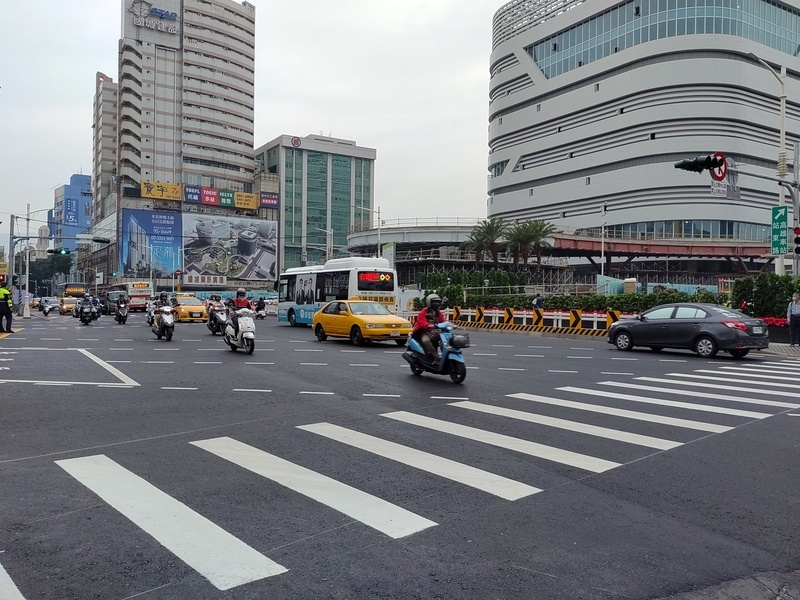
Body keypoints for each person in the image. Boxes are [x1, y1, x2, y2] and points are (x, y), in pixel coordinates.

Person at [412, 294, 446, 362]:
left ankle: (445, 356)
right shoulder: (424, 311)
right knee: (426, 341)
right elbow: (420, 321)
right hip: (425, 331)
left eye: (438, 302)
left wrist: (448, 324)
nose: (436, 304)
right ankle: (435, 357)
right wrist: (428, 325)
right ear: (429, 302)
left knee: (445, 340)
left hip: (436, 331)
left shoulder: (438, 313)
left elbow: (443, 321)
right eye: (434, 302)